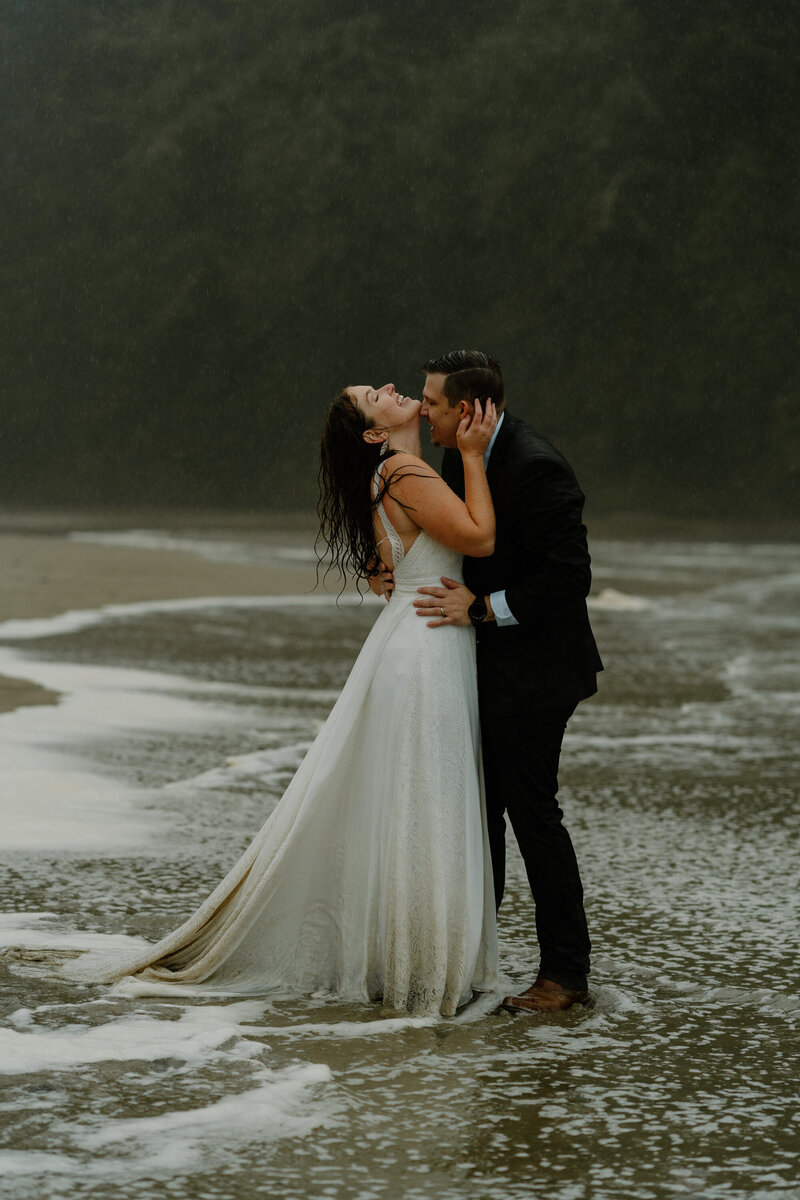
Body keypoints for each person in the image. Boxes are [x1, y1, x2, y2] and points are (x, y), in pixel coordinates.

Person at [66, 382, 499, 1018]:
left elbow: (401, 564)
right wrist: (473, 454)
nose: (388, 387)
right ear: (374, 433)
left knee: (406, 799)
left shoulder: (385, 474)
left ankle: (409, 954)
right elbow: (479, 538)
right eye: (372, 395)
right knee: (426, 799)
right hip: (429, 643)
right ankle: (428, 964)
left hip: (410, 638)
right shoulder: (404, 469)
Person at [410, 351, 603, 1013]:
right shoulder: (459, 455)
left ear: (466, 410)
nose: (422, 409)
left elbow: (569, 578)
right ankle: (471, 960)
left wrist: (485, 608)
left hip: (541, 673)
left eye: (431, 401)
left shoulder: (536, 466)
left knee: (532, 815)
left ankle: (567, 977)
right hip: (489, 669)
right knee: (479, 812)